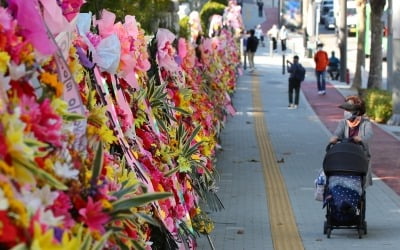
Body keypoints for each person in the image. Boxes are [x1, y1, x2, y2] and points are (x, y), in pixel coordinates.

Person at [329, 95, 374, 187]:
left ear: (357, 111)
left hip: (359, 156)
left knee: (360, 181)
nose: (346, 112)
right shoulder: (343, 122)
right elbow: (337, 133)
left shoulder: (365, 123)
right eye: (345, 110)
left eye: (349, 110)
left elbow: (369, 135)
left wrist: (361, 138)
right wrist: (334, 138)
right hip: (345, 155)